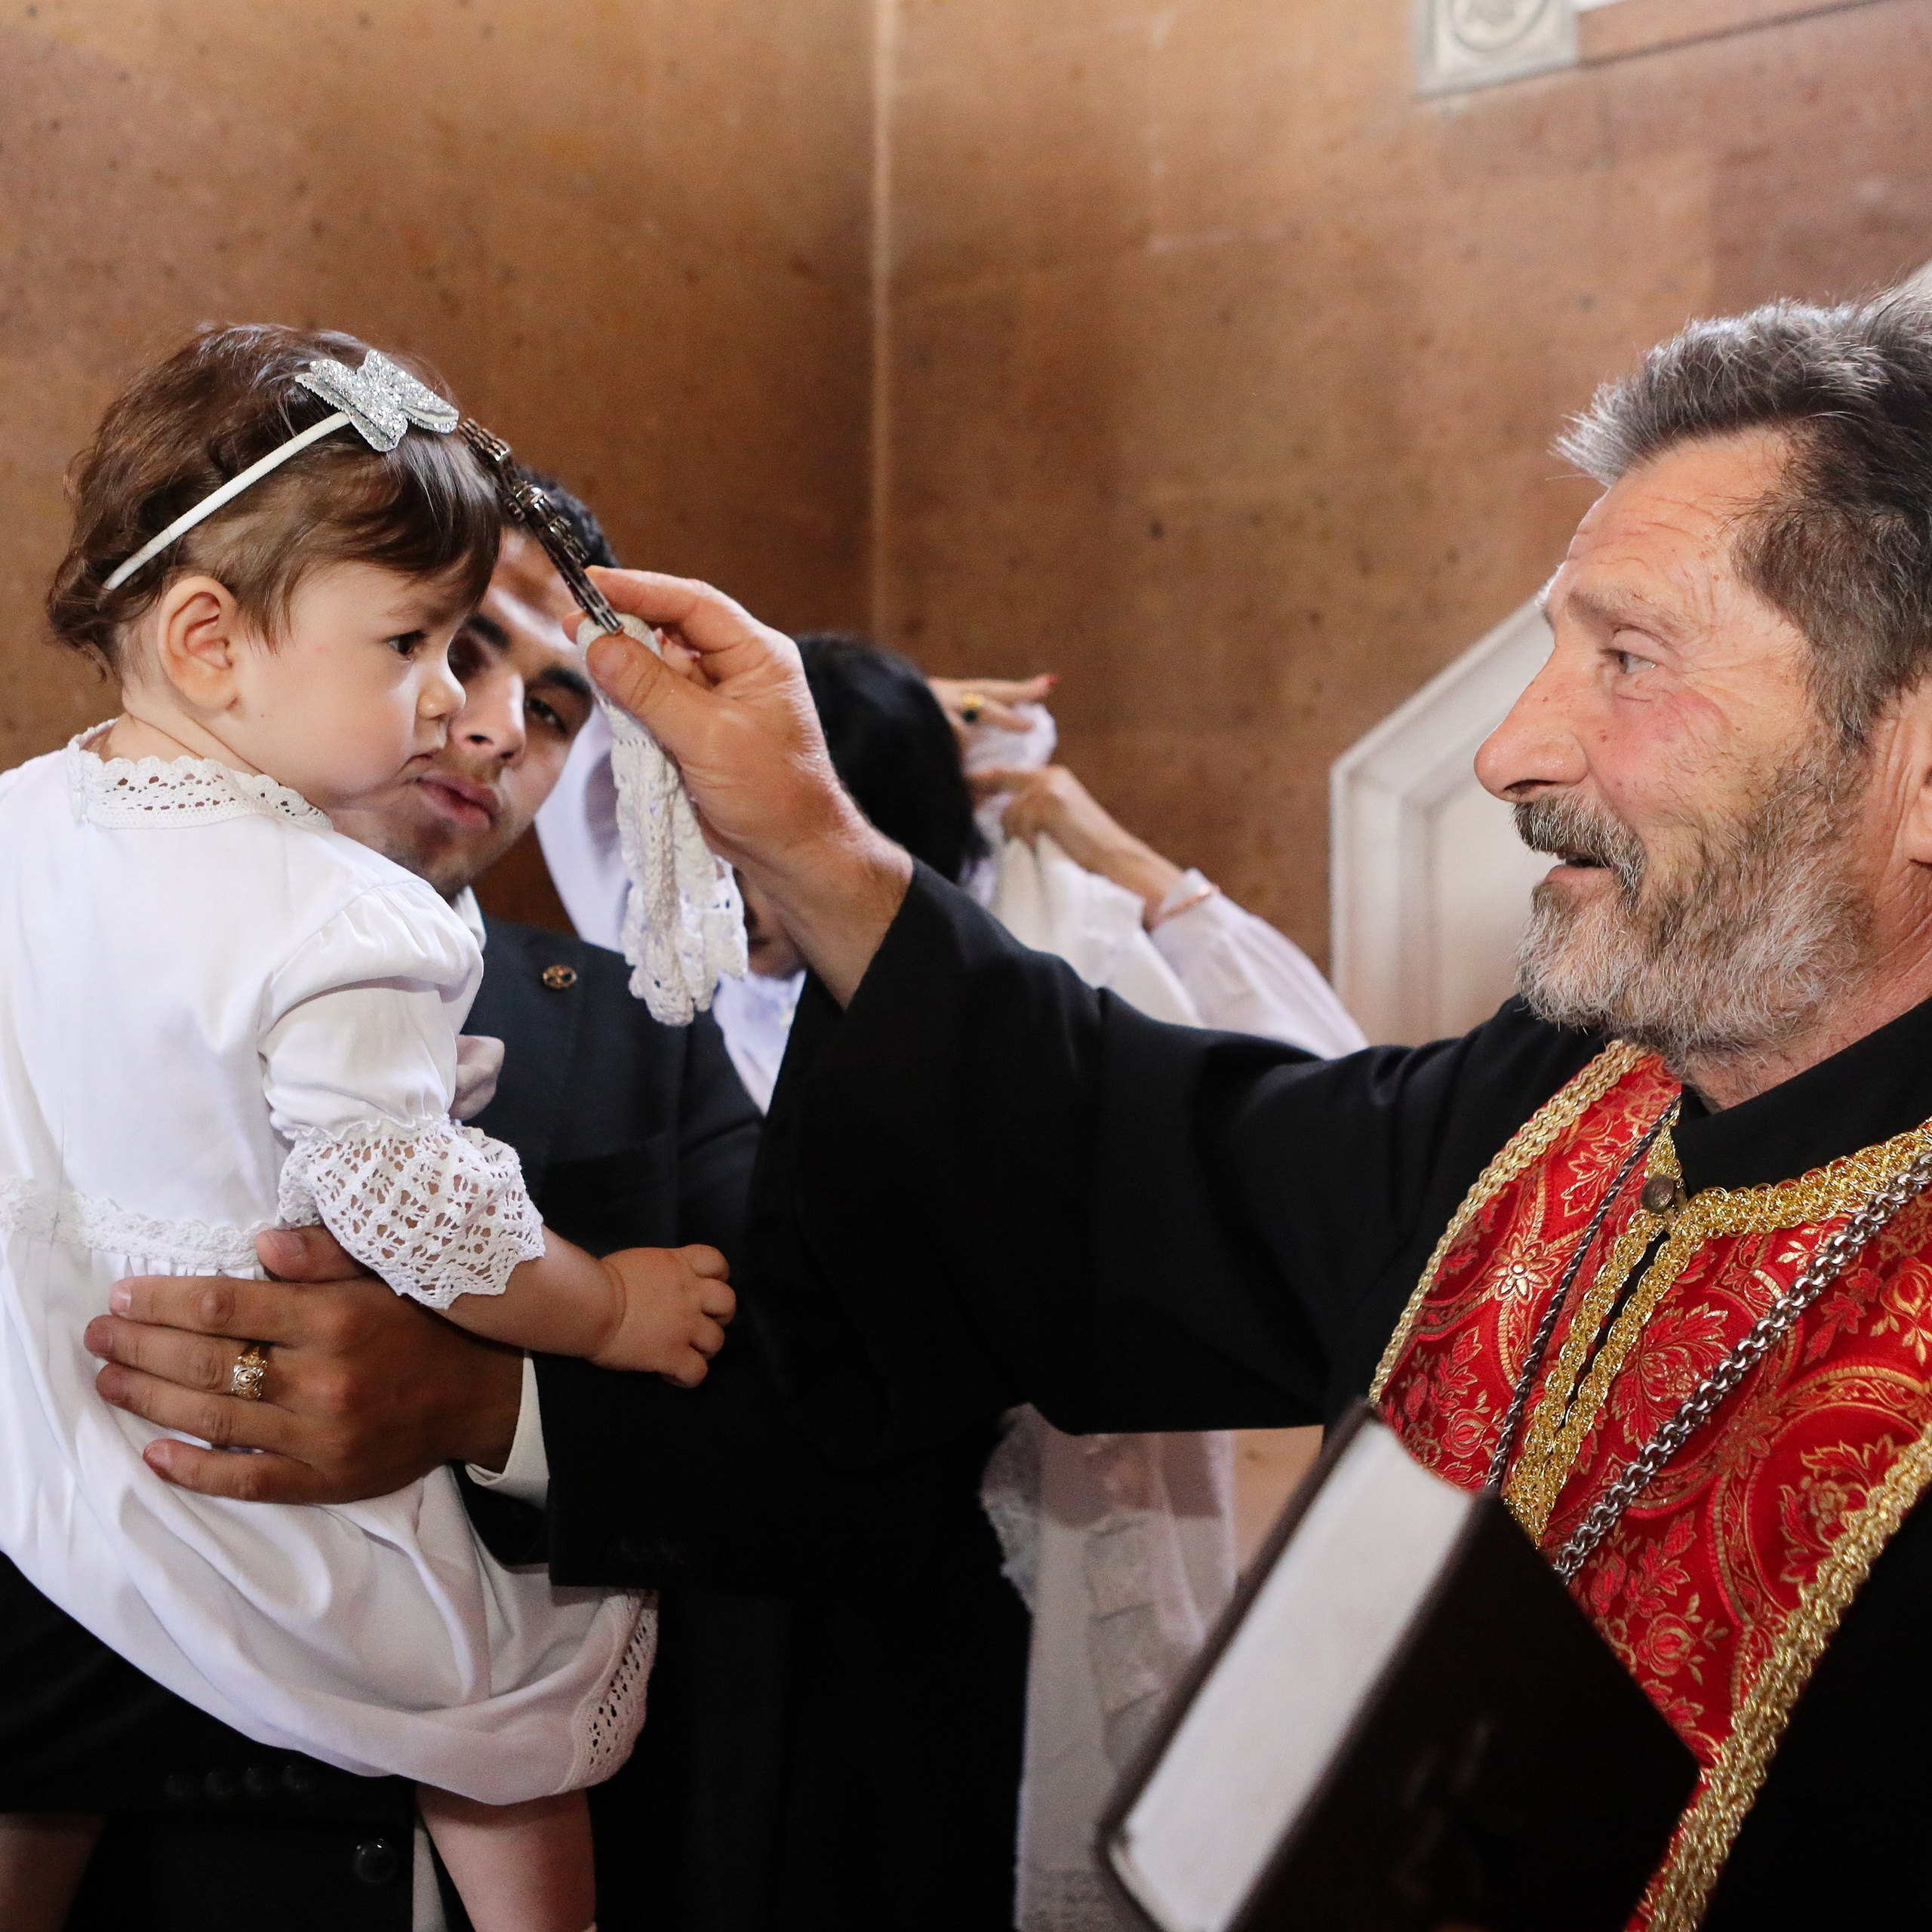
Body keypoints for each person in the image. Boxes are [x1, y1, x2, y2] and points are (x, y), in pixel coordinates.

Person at [563, 295, 1932, 1928]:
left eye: (1626, 659)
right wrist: (811, 840)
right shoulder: (1574, 1092)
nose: (1508, 751)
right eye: (1550, 654)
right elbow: (1153, 1160)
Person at [0, 323, 737, 1932]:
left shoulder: (646, 1038)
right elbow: (419, 1206)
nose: (480, 718)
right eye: (435, 645)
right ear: (215, 639)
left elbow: (829, 1396)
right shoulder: (329, 918)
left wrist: (489, 1401)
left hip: (92, 1483)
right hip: (121, 1645)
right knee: (503, 1715)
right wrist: (606, 1306)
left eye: (554, 705)